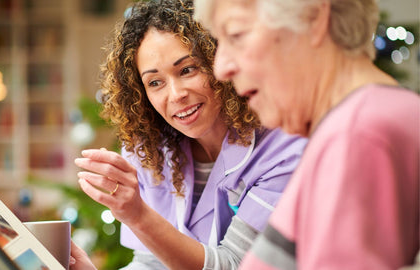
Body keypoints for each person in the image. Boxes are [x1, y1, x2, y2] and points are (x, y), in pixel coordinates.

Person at [71, 0, 307, 269]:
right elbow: (152, 263)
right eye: (155, 82)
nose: (176, 95)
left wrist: (138, 216)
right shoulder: (150, 152)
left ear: (219, 60)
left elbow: (236, 265)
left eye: (187, 69)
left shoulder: (283, 148)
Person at [194, 0, 420, 269]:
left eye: (237, 35)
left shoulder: (356, 134)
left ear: (313, 18)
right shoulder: (363, 121)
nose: (221, 68)